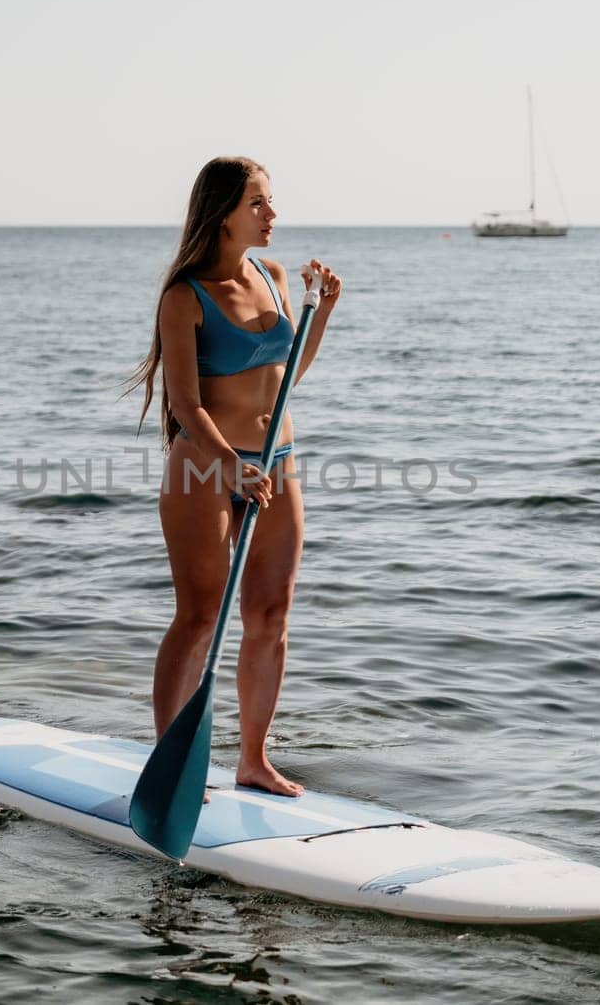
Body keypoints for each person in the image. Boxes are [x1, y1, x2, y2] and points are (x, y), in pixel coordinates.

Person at [129, 156, 342, 796]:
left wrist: (323, 311)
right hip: (205, 467)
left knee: (271, 611)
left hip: (278, 462)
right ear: (222, 213)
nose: (272, 214)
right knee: (198, 616)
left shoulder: (274, 276)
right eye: (258, 203)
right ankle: (171, 763)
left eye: (270, 201)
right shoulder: (184, 296)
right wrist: (231, 462)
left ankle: (253, 759)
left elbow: (284, 379)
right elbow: (185, 406)